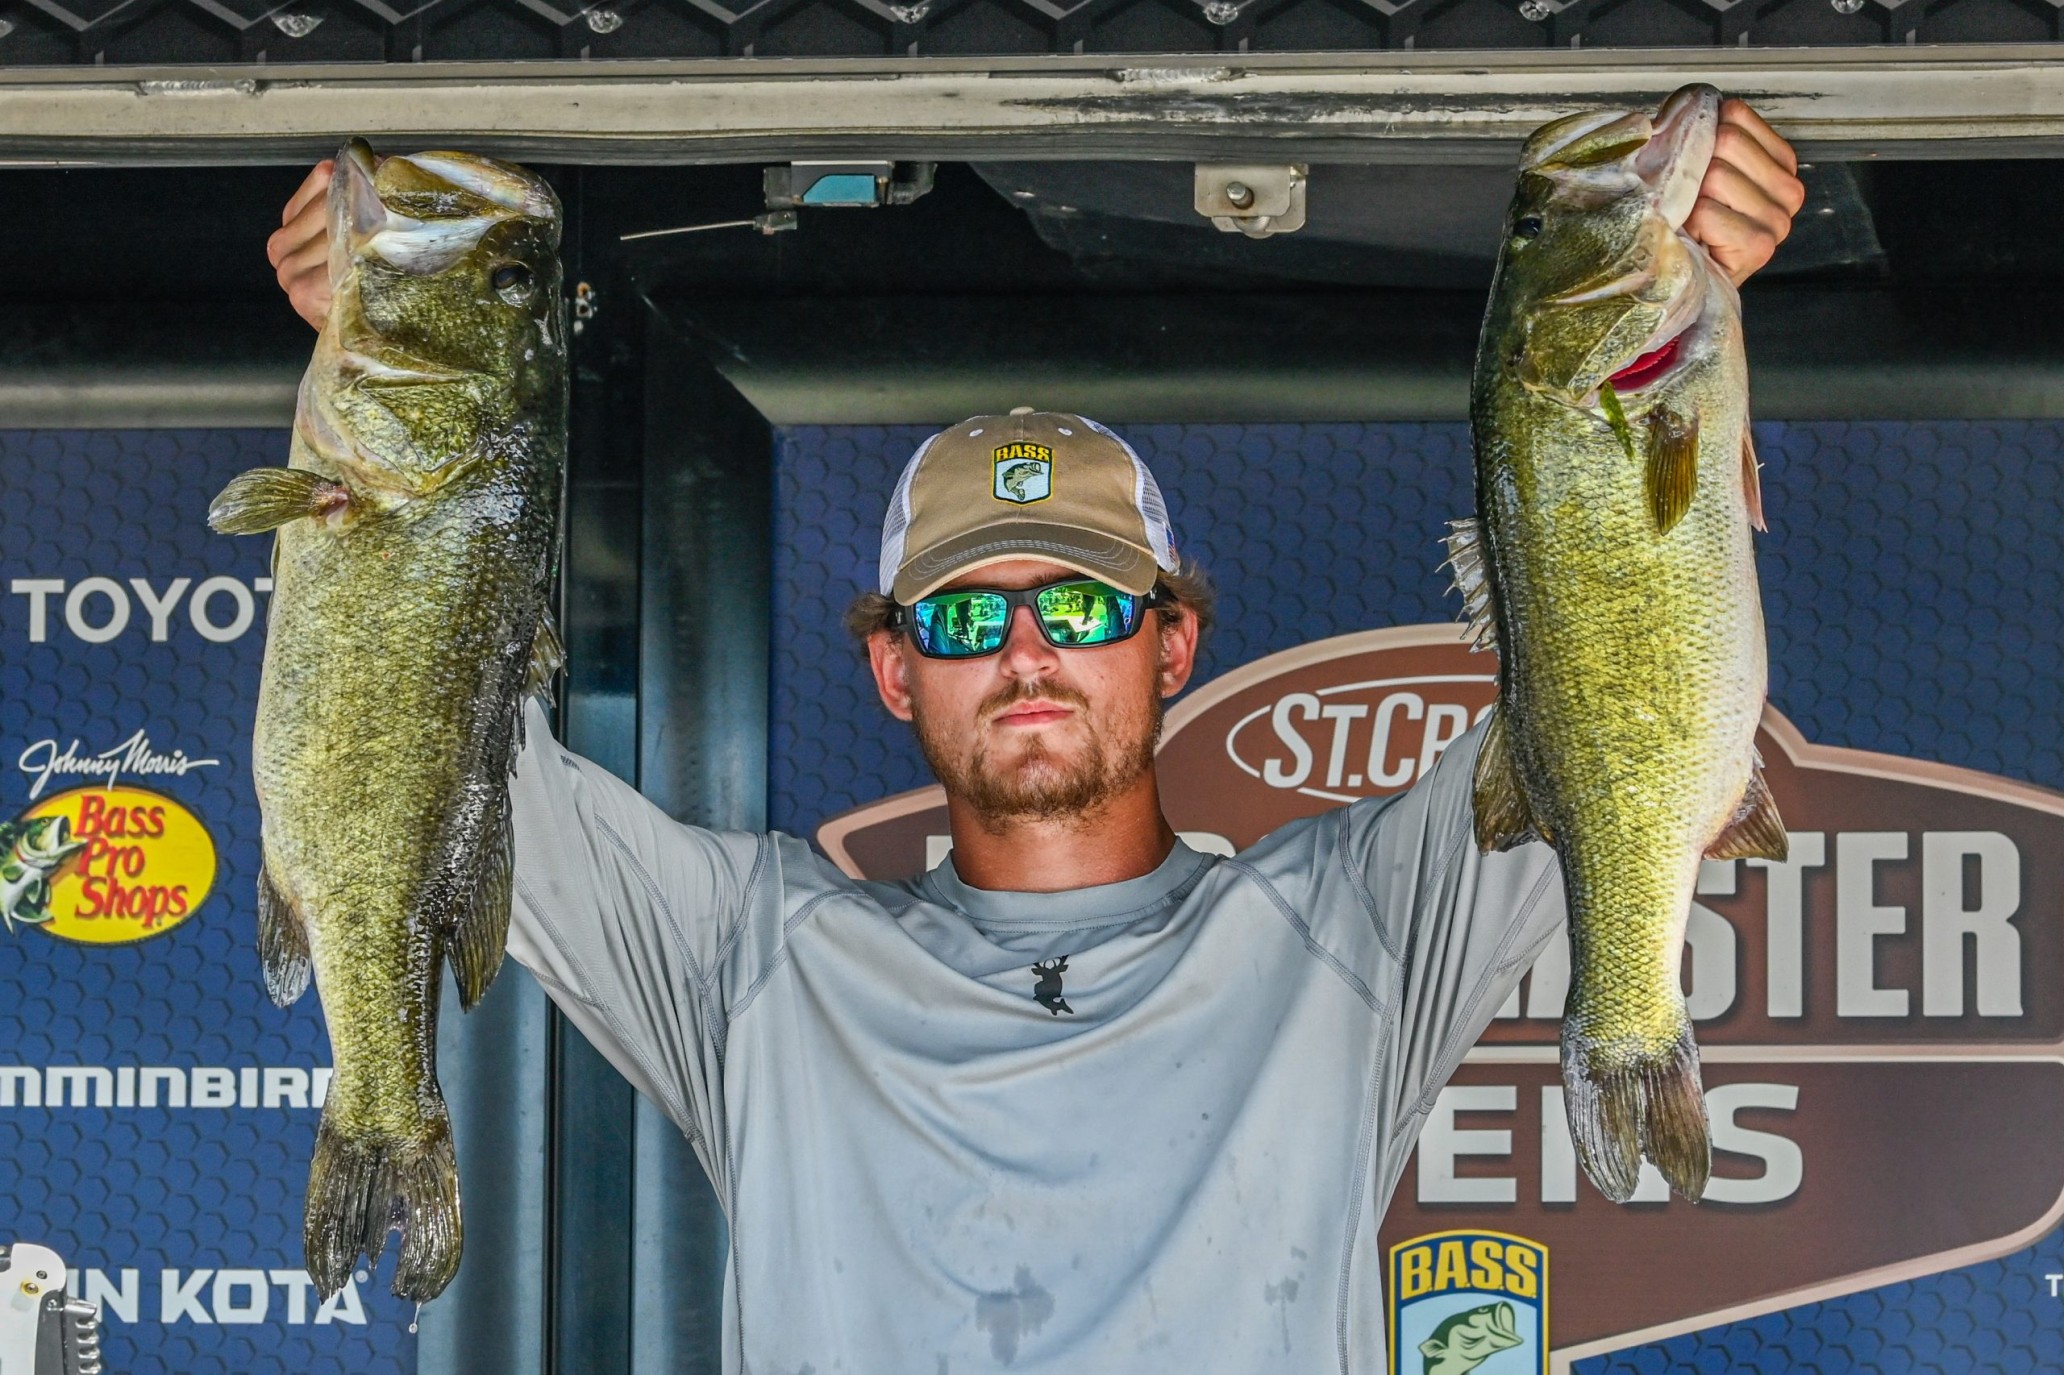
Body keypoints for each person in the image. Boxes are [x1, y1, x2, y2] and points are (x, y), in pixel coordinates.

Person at [265, 111, 1805, 1372]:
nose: (1021, 655)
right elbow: (415, 734)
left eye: (1079, 609)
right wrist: (395, 360)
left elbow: (1624, 677)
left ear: (1174, 642)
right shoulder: (745, 953)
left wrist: (1690, 318)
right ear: (891, 673)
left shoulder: (1360, 923)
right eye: (958, 620)